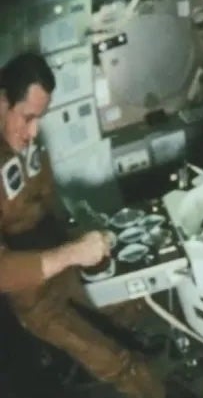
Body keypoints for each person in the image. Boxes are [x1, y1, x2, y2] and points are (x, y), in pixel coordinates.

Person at [0, 53, 165, 398]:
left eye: (39, 119)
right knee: (115, 361)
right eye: (27, 117)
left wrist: (86, 237)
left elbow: (48, 201)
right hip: (32, 292)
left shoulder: (25, 143)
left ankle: (146, 351)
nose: (33, 132)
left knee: (133, 301)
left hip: (60, 255)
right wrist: (73, 252)